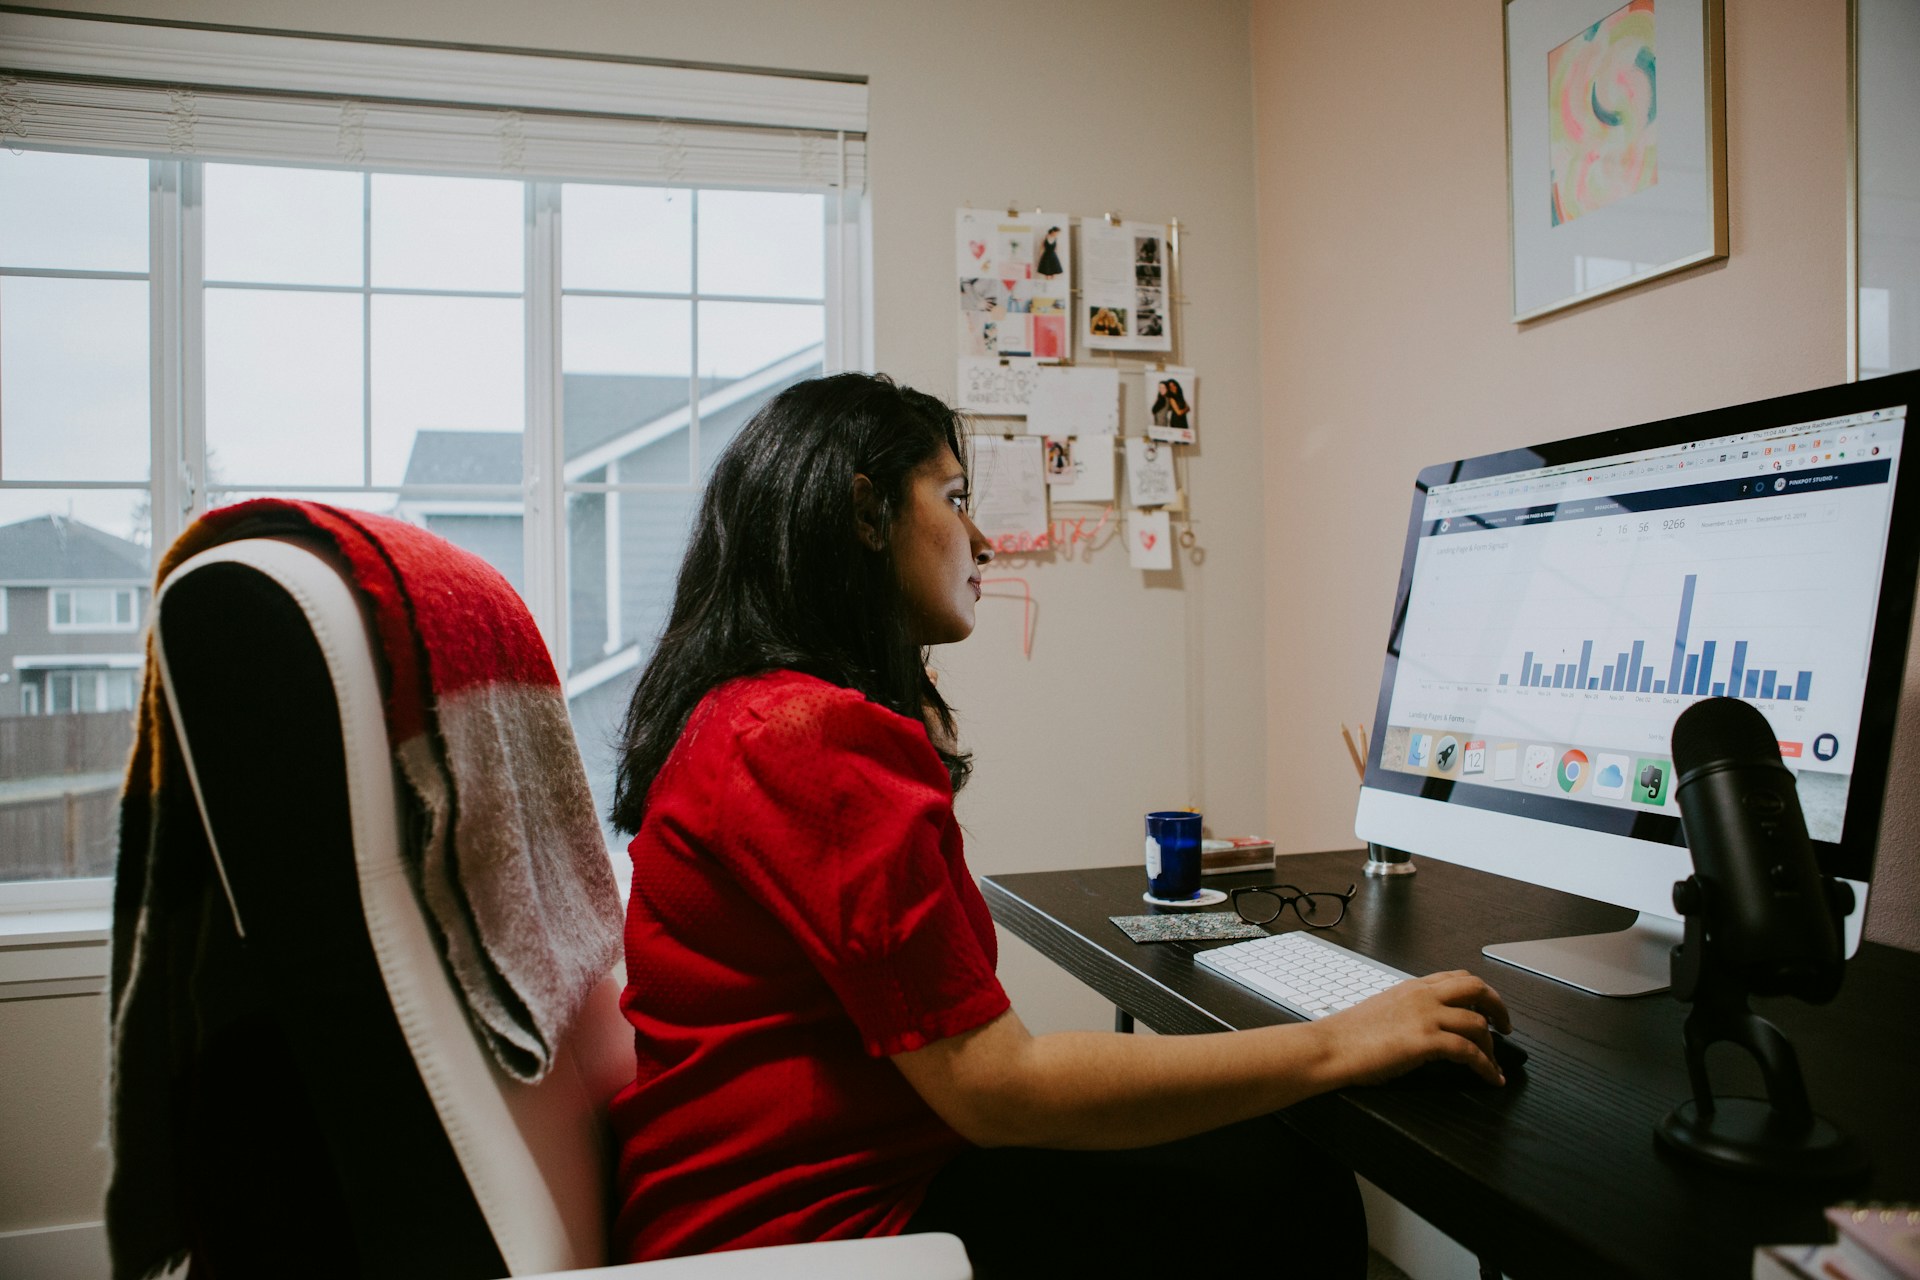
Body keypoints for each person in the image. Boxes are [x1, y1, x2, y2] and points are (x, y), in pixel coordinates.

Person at [606, 372, 1511, 1277]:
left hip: (820, 1190)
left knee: (1259, 1168)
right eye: (955, 499)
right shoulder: (803, 739)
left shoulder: (752, 718)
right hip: (807, 1235)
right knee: (1288, 1191)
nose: (984, 542)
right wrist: (1342, 1039)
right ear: (866, 513)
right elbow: (999, 1089)